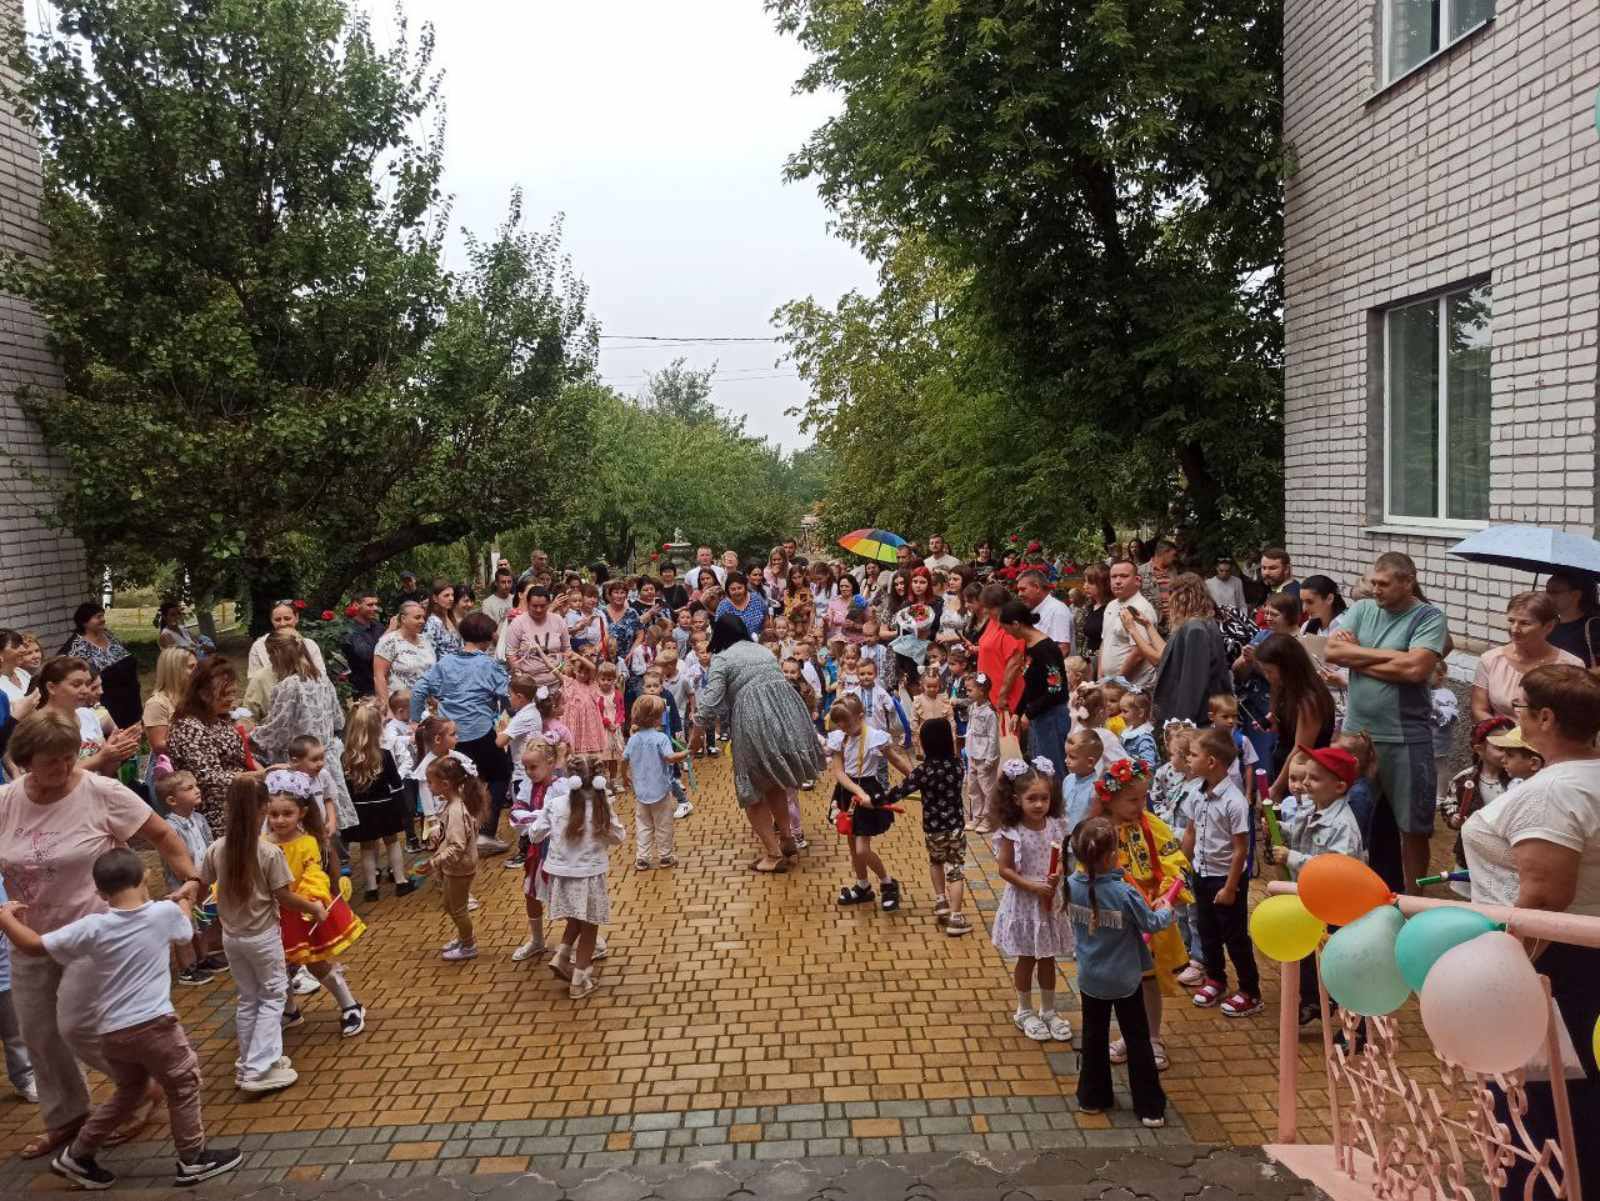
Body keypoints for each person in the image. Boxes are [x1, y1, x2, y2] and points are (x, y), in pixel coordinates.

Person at [0, 708, 203, 1160]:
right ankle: (66, 1119)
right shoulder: (6, 801)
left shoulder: (101, 792)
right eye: (51, 760)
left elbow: (163, 835)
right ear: (26, 760)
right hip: (31, 936)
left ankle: (137, 1089)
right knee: (40, 1036)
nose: (63, 767)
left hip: (98, 936)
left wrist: (190, 878)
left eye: (69, 757)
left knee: (81, 1027)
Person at [0, 848, 241, 1189]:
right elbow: (185, 932)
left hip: (111, 1031)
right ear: (145, 878)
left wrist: (6, 918)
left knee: (129, 1091)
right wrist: (185, 899)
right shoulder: (163, 913)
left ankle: (78, 1155)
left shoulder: (93, 926)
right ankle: (193, 1158)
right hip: (156, 1026)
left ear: (100, 893)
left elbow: (35, 945)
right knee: (183, 1084)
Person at [1459, 665, 1600, 1200]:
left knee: (1537, 1103)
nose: (1512, 715)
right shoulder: (1583, 776)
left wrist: (1506, 970)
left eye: (1519, 707)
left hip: (1549, 963)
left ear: (1545, 718)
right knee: (1573, 1099)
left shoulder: (1554, 792)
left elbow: (1544, 897)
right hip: (1577, 953)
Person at [1325, 551, 1449, 894]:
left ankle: (1414, 899)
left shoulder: (1428, 617)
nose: (1375, 590)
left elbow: (1416, 670)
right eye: (1373, 583)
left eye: (1383, 584)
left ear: (1407, 582)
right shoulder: (1363, 609)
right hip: (1356, 737)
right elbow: (1332, 652)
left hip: (1404, 737)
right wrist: (1396, 657)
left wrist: (1358, 657)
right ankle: (1352, 892)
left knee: (1413, 828)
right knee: (1348, 818)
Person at [696, 614, 825, 874]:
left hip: (753, 721)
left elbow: (709, 704)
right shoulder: (762, 651)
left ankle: (773, 855)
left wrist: (694, 736)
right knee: (775, 783)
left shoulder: (722, 658)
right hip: (786, 716)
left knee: (752, 791)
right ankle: (787, 839)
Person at [1067, 816, 1173, 1127]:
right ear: (1110, 856)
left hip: (1090, 977)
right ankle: (1149, 1107)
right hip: (1125, 979)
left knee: (1093, 1036)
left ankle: (1092, 1097)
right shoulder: (1123, 893)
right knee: (1137, 1039)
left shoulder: (1070, 886)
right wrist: (1166, 908)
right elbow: (1151, 923)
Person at [263, 771, 366, 1035]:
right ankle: (290, 1010)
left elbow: (313, 874)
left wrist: (311, 901)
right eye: (274, 814)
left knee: (316, 963)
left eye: (287, 813)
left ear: (302, 813)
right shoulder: (261, 843)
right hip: (271, 914)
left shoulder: (307, 842)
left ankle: (350, 1004)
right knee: (279, 965)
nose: (279, 820)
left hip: (302, 911)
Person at [410, 612, 512, 854]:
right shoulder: (489, 664)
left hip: (450, 734)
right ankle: (485, 832)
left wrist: (415, 721)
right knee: (500, 774)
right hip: (480, 730)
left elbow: (419, 689)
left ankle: (454, 835)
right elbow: (506, 695)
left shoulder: (445, 663)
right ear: (487, 637)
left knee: (458, 783)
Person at [991, 757, 1074, 1043]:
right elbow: (1004, 869)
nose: (1039, 804)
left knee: (1048, 958)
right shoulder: (1012, 831)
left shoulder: (1055, 825)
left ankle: (1048, 1010)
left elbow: (1060, 858)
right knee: (1026, 958)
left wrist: (1057, 873)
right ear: (1017, 800)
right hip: (1025, 902)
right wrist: (1032, 886)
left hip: (1048, 899)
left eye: (1044, 798)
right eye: (1032, 799)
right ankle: (1024, 1010)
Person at [528, 758, 625, 1000]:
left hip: (560, 875)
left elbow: (535, 834)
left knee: (575, 919)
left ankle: (562, 957)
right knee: (589, 925)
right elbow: (618, 836)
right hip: (588, 875)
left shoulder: (556, 804)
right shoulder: (601, 805)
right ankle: (579, 981)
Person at [1182, 728, 1261, 1018]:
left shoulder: (1234, 801)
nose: (1188, 759)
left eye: (1193, 755)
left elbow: (1240, 849)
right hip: (1201, 874)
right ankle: (1215, 978)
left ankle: (1250, 991)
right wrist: (1181, 866)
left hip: (1226, 878)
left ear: (1211, 761)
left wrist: (1229, 888)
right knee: (1207, 931)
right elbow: (1190, 832)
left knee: (1235, 936)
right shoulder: (1196, 793)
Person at [878, 718, 972, 935]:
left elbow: (901, 790)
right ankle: (956, 918)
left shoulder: (924, 771)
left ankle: (941, 900)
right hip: (955, 827)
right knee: (956, 869)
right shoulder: (958, 766)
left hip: (932, 828)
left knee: (936, 861)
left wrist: (878, 800)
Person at [828, 696, 913, 909]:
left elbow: (895, 759)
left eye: (847, 723)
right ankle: (863, 885)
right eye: (839, 724)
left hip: (869, 791)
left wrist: (915, 778)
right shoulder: (839, 738)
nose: (843, 728)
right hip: (848, 792)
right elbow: (838, 772)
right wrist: (858, 792)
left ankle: (887, 883)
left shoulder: (875, 737)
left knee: (861, 849)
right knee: (852, 843)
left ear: (860, 717)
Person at [1119, 573, 1229, 728]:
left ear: (1182, 597)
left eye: (1171, 595)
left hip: (1194, 720)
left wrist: (1182, 724)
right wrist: (1147, 625)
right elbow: (1167, 656)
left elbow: (1193, 684)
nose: (1168, 601)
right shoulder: (1194, 624)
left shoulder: (1195, 629)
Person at [166, 657, 252, 831]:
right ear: (203, 694)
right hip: (214, 815)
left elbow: (242, 758)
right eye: (224, 694)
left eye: (233, 693)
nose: (231, 699)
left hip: (239, 802)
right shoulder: (188, 727)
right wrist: (253, 778)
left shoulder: (218, 719)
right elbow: (208, 777)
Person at [416, 756, 486, 962]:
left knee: (458, 909)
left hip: (460, 868)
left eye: (431, 782)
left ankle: (469, 945)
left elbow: (457, 846)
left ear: (445, 784)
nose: (429, 786)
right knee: (449, 904)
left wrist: (434, 862)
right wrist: (438, 833)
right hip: (454, 867)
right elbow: (454, 834)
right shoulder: (453, 804)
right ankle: (464, 938)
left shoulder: (456, 810)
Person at [1472, 592, 1581, 722]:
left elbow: (1574, 718)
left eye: (1525, 623)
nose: (1514, 629)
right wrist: (1499, 731)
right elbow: (1479, 709)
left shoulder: (1571, 666)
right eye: (1511, 621)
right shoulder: (1491, 660)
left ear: (1549, 626)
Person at [1252, 633, 1337, 801]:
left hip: (1301, 779)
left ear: (1287, 668)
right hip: (1285, 768)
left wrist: (1277, 788)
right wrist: (1273, 722)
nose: (1267, 677)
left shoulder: (1309, 701)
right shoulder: (1286, 689)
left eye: (1270, 671)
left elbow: (1301, 750)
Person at [342, 700, 409, 903]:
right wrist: (403, 809)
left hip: (361, 811)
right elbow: (396, 784)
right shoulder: (384, 755)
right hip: (386, 806)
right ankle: (401, 881)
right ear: (376, 730)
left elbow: (346, 789)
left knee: (367, 847)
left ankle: (371, 888)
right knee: (392, 842)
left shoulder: (346, 758)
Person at [999, 598, 1071, 780]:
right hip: (1039, 716)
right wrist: (1018, 711)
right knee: (1040, 768)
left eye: (1006, 628)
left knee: (1054, 769)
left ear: (1016, 624)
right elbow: (1031, 684)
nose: (1006, 633)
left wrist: (1029, 712)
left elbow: (1055, 688)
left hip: (1052, 716)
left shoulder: (1045, 649)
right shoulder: (1029, 646)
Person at [1440, 717, 1512, 897]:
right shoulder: (1464, 780)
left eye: (1511, 749)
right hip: (1472, 851)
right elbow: (1449, 803)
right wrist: (1454, 818)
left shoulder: (1517, 780)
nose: (1506, 754)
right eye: (1500, 748)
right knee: (1471, 895)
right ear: (1479, 749)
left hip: (1506, 851)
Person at [624, 695, 688, 871]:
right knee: (663, 825)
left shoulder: (634, 739)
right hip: (660, 789)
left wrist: (624, 776)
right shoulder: (661, 738)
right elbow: (669, 758)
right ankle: (665, 856)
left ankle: (642, 858)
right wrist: (685, 753)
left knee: (643, 825)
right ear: (655, 719)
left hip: (641, 791)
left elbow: (624, 758)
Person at [59, 604, 140, 729]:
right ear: (84, 622)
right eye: (98, 617)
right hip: (107, 702)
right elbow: (62, 668)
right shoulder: (76, 647)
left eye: (102, 616)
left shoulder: (108, 635)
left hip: (130, 698)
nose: (103, 620)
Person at [1100, 560, 1159, 689]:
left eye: (1124, 576)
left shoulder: (1141, 608)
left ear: (1137, 580)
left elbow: (1139, 653)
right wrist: (1101, 677)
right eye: (1114, 576)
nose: (1117, 581)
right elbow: (1105, 642)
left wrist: (1116, 682)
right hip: (1110, 684)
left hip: (1134, 687)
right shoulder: (1111, 605)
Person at [505, 585, 570, 692]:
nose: (538, 610)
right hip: (529, 684)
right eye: (534, 606)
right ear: (528, 604)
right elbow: (511, 653)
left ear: (549, 604)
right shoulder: (518, 623)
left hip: (556, 680)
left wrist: (564, 670)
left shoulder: (558, 620)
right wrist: (519, 675)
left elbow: (567, 649)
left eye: (542, 606)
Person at [141, 646, 196, 765]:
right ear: (175, 670)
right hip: (171, 769)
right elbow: (158, 745)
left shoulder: (193, 697)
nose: (197, 672)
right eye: (191, 667)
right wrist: (197, 743)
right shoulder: (157, 704)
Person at [246, 601, 327, 679]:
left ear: (296, 618)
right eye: (277, 620)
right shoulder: (259, 646)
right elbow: (254, 680)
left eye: (287, 618)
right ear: (271, 621)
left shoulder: (310, 645)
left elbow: (321, 676)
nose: (283, 623)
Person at [1544, 572, 1600, 667]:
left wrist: (1574, 675)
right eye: (1547, 591)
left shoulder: (1595, 627)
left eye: (1554, 592)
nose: (1547, 596)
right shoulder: (1548, 626)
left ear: (1576, 595)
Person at [340, 592, 385, 698]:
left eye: (376, 604)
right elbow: (366, 655)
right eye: (370, 605)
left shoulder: (377, 625)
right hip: (363, 689)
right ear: (356, 605)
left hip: (383, 683)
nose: (375, 608)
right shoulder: (348, 629)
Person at [1018, 569, 1072, 656]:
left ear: (1037, 587)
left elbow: (1063, 649)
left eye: (1023, 589)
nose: (1019, 594)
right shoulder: (1036, 609)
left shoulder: (1057, 610)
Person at [1137, 541, 1179, 626]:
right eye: (1173, 555)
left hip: (1171, 621)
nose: (1174, 558)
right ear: (1165, 553)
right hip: (1150, 621)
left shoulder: (1174, 571)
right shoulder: (1141, 571)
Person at [479, 568, 517, 632]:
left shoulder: (516, 599)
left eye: (509, 582)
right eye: (503, 582)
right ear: (496, 583)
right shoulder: (487, 604)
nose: (507, 585)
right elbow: (489, 629)